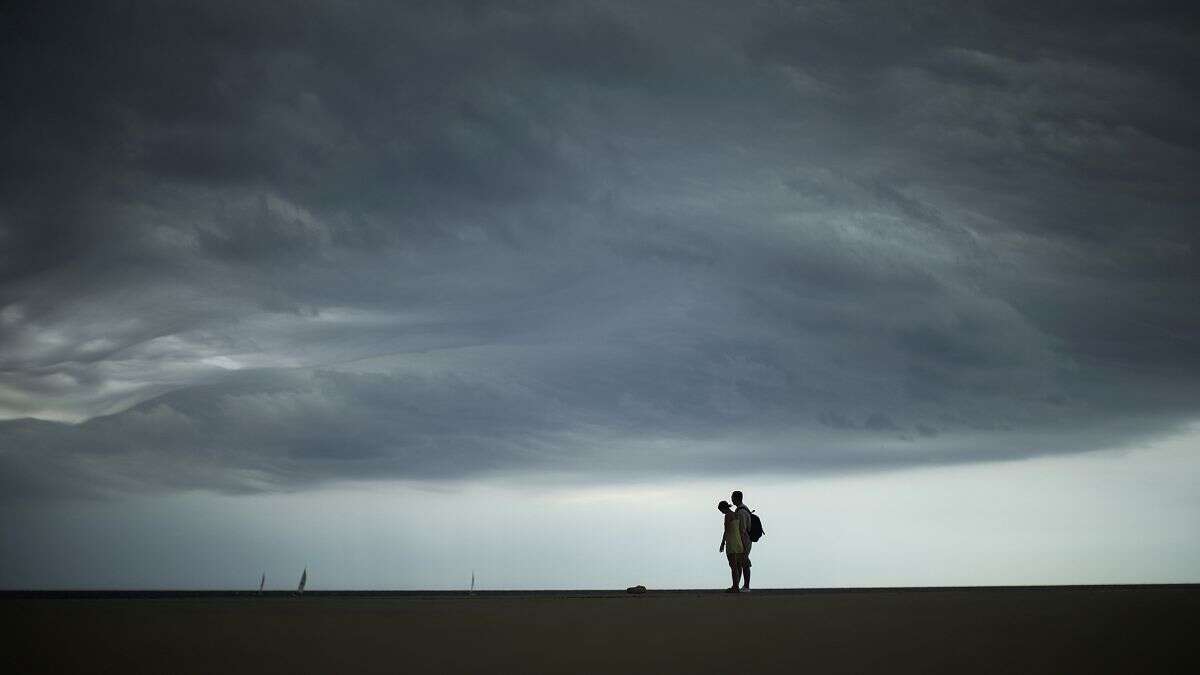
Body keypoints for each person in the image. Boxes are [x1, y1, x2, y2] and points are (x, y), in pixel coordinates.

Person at [717, 500, 748, 593]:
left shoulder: (727, 516)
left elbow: (726, 530)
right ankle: (736, 586)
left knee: (733, 566)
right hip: (739, 542)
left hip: (731, 542)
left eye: (721, 510)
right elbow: (740, 530)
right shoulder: (736, 514)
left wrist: (722, 543)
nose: (721, 512)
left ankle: (735, 587)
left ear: (723, 508)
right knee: (738, 566)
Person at [731, 490, 752, 591]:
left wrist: (742, 544)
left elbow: (742, 529)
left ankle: (746, 586)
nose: (731, 499)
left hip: (744, 540)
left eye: (732, 497)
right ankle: (738, 586)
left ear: (736, 498)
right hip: (744, 539)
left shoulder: (741, 511)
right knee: (740, 563)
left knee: (744, 562)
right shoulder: (743, 509)